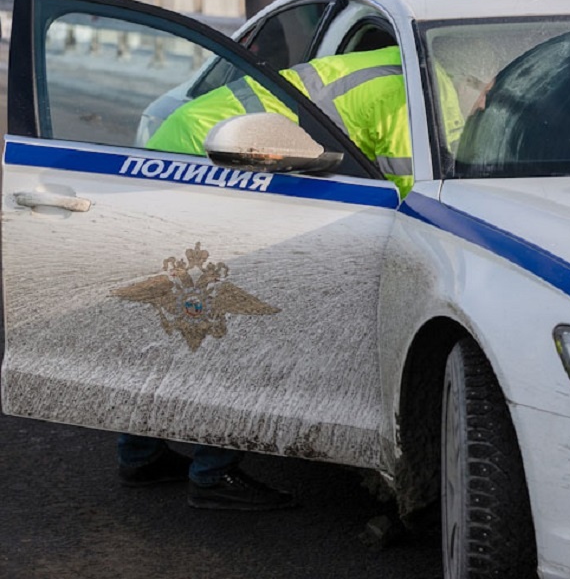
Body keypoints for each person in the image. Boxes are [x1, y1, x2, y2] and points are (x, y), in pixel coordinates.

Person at [122, 46, 464, 510]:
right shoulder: (415, 99)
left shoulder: (408, 59)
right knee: (249, 331)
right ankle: (212, 475)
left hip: (193, 148)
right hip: (214, 162)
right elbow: (413, 202)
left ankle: (140, 455)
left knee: (182, 330)